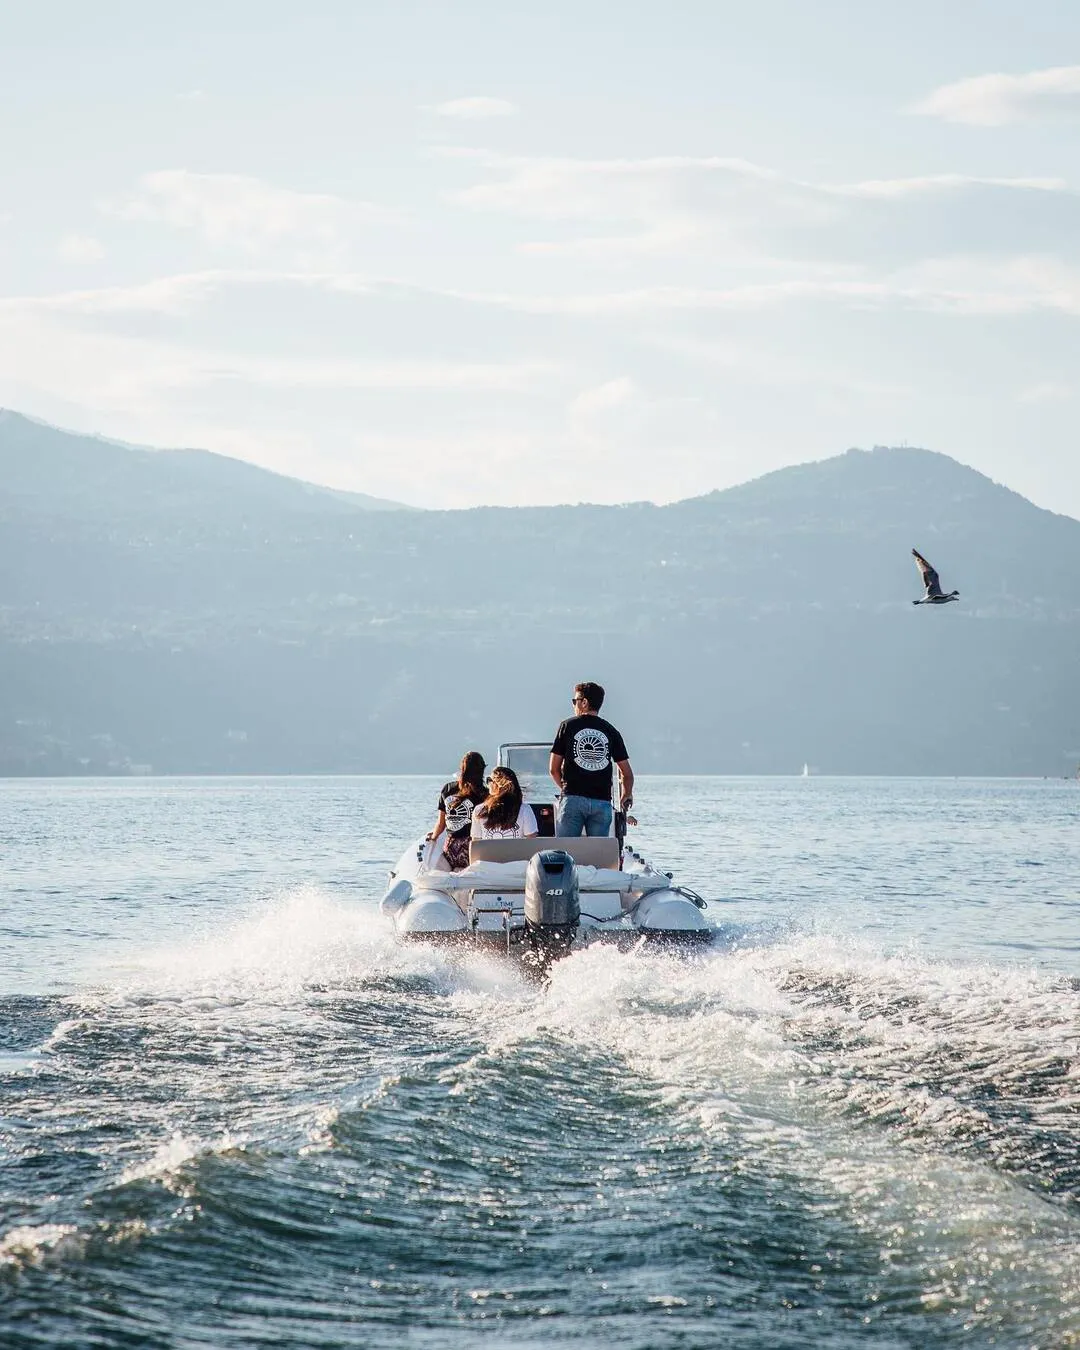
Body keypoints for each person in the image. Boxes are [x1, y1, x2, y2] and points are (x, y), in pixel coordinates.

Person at [549, 681, 634, 837]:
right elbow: (627, 773)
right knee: (597, 856)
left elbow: (553, 769)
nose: (574, 705)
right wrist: (626, 794)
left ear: (584, 702)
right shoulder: (611, 731)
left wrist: (565, 789)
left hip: (572, 799)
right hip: (602, 802)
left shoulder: (567, 726)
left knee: (565, 852)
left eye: (575, 701)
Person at [427, 750, 487, 870]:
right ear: (482, 770)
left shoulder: (447, 788)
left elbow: (441, 824)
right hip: (472, 851)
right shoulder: (485, 794)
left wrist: (433, 838)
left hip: (450, 849)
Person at [471, 766, 539, 840]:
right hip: (517, 852)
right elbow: (531, 840)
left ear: (497, 785)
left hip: (488, 852)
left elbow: (476, 842)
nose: (488, 783)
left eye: (489, 780)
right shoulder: (525, 810)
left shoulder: (479, 810)